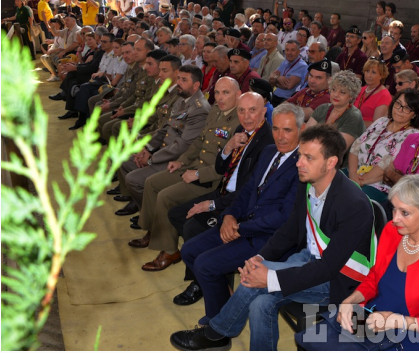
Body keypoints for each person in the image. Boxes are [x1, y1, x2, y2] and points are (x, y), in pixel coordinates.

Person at [169, 124, 375, 351]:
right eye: (299, 156)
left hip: (340, 280)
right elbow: (289, 230)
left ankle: (215, 334)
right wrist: (260, 257)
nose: (298, 163)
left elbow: (328, 268)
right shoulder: (309, 182)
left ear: (331, 162)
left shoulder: (353, 204)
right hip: (310, 258)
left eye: (308, 157)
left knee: (251, 285)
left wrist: (269, 278)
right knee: (260, 303)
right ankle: (222, 335)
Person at [297, 174, 419, 350]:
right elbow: (374, 278)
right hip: (370, 320)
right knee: (310, 342)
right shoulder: (392, 232)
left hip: (409, 334)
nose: (395, 218)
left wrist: (397, 321)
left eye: (404, 212)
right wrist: (350, 302)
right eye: (394, 209)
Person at [169, 103, 302, 311]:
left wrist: (239, 229)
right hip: (241, 224)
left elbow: (283, 216)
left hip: (267, 238)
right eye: (275, 129)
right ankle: (226, 308)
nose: (280, 136)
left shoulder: (302, 164)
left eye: (287, 130)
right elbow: (247, 190)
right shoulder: (268, 152)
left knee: (205, 264)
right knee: (189, 250)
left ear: (300, 131)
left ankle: (216, 327)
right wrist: (229, 216)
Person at [129, 91, 271, 271]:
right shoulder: (240, 131)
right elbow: (219, 164)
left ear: (264, 111)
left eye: (252, 110)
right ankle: (191, 256)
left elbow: (247, 190)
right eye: (241, 111)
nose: (246, 116)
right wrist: (228, 147)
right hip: (222, 190)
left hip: (234, 200)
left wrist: (212, 204)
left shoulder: (267, 143)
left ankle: (199, 273)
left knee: (191, 226)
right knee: (176, 214)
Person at [115, 65, 211, 217]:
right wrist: (146, 149)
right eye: (178, 78)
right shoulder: (182, 100)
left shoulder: (199, 109)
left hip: (177, 161)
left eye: (183, 80)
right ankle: (144, 208)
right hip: (164, 153)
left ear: (196, 85)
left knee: (133, 179)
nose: (178, 82)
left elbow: (183, 145)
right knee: (126, 162)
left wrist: (152, 159)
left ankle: (152, 218)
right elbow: (165, 129)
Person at [348, 90, 419, 202]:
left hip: (378, 186)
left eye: (407, 108)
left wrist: (360, 181)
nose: (399, 110)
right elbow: (355, 147)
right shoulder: (381, 121)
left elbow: (388, 163)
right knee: (329, 181)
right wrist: (352, 175)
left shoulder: (412, 135)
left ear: (414, 114)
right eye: (398, 104)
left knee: (353, 199)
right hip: (355, 174)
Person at [306, 71, 365, 149]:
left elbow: (338, 148)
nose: (336, 95)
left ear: (351, 96)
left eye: (342, 92)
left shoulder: (354, 116)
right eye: (334, 90)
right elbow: (306, 135)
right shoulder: (322, 108)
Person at [268, 40, 308, 106]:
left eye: (293, 50)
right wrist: (278, 78)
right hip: (275, 95)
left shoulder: (302, 66)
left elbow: (288, 86)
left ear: (298, 52)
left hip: (287, 100)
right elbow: (270, 80)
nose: (289, 53)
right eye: (287, 50)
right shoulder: (285, 62)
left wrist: (275, 79)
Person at [354, 58, 392, 127]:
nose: (369, 75)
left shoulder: (384, 96)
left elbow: (376, 125)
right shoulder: (361, 89)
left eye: (373, 72)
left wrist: (353, 122)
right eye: (367, 71)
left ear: (381, 75)